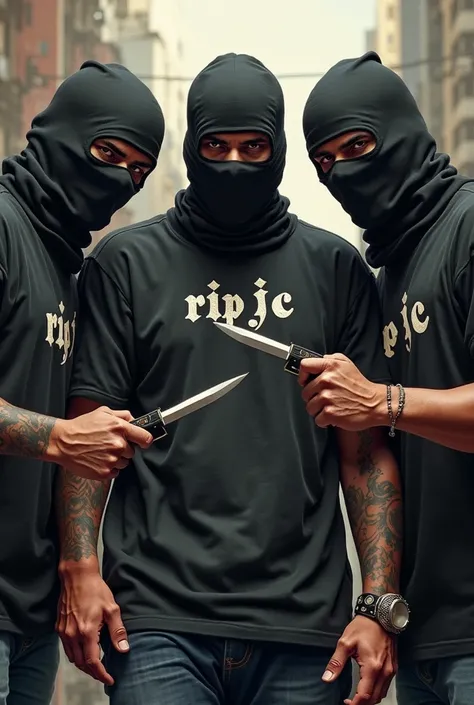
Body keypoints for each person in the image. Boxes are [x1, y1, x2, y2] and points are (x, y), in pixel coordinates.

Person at [58, 53, 403, 705]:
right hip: (157, 622)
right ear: (191, 147)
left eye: (254, 146)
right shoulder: (126, 264)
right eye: (216, 145)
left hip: (307, 630)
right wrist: (81, 568)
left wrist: (377, 605)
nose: (234, 163)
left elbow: (364, 456)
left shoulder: (336, 267)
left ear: (278, 150)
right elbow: (86, 436)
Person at [301, 50, 474, 705]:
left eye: (359, 144)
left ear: (402, 129)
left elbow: (387, 411)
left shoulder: (466, 226)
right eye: (325, 162)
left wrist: (379, 399)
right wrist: (380, 604)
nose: (343, 170)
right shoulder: (387, 276)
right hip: (424, 637)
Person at [0, 61, 164, 705]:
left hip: (30, 613)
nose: (119, 180)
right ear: (60, 132)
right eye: (106, 153)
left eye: (138, 171)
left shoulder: (68, 265)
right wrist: (61, 437)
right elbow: (63, 438)